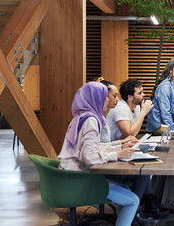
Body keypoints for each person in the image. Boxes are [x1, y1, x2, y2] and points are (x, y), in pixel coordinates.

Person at [57, 82, 139, 226]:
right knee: (133, 201)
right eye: (105, 97)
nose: (108, 100)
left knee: (125, 189)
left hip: (70, 177)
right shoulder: (91, 120)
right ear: (97, 99)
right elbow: (89, 157)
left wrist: (119, 147)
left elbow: (95, 148)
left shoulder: (81, 117)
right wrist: (117, 155)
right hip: (80, 181)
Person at [106, 78, 170, 219]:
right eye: (140, 93)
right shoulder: (121, 108)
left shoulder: (136, 108)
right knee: (143, 171)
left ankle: (147, 205)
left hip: (119, 149)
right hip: (111, 155)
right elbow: (129, 132)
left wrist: (141, 112)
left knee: (145, 165)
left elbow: (131, 135)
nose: (143, 96)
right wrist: (143, 113)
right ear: (130, 97)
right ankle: (137, 211)